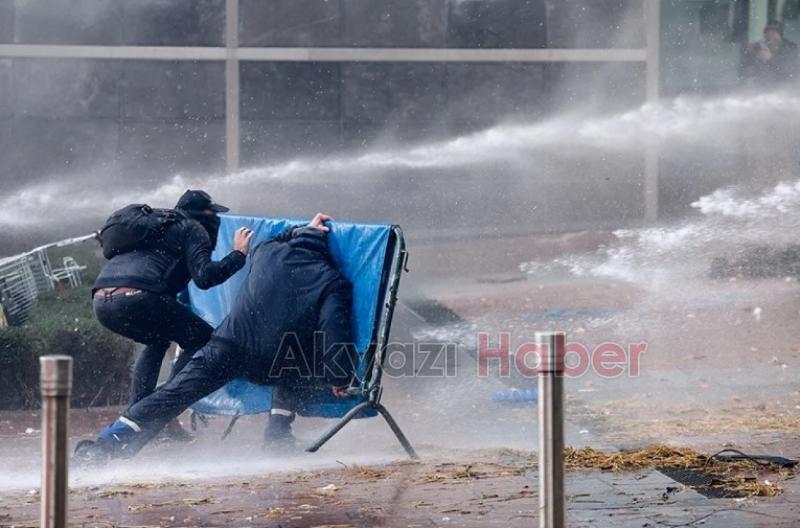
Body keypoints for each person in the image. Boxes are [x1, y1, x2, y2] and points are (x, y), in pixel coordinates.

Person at [75, 224, 356, 462]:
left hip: (224, 347)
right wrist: (340, 376)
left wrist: (301, 228)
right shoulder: (332, 282)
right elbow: (335, 331)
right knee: (298, 354)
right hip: (272, 362)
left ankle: (105, 446)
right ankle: (277, 434)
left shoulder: (266, 252)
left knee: (173, 395)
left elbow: (275, 237)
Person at [92, 190, 254, 440]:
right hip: (139, 298)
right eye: (213, 213)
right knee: (202, 339)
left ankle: (138, 415)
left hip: (102, 301)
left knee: (156, 341)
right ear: (206, 213)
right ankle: (163, 408)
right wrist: (238, 255)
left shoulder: (154, 227)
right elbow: (205, 277)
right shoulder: (192, 227)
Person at [741, 20, 799, 86]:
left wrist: (771, 58)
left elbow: (790, 70)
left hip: (784, 88)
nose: (770, 36)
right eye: (767, 33)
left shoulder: (790, 48)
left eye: (773, 33)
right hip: (762, 87)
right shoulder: (760, 46)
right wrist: (749, 53)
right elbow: (746, 71)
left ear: (778, 34)